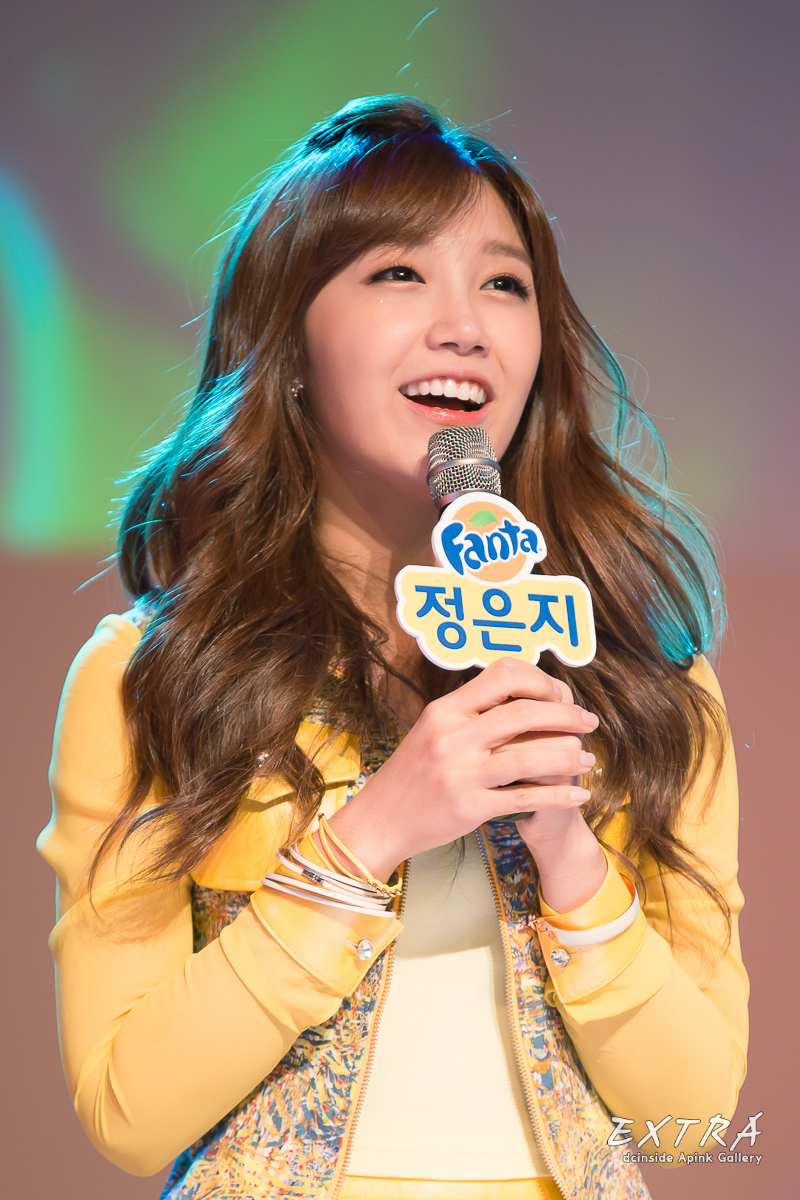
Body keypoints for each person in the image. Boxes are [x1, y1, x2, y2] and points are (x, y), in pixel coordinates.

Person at [38, 96, 748, 1200]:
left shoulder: (647, 687)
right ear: (287, 345)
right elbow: (129, 1116)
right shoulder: (153, 679)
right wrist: (367, 836)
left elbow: (694, 1122)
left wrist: (569, 854)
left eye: (504, 284)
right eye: (399, 273)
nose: (464, 326)